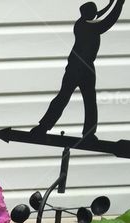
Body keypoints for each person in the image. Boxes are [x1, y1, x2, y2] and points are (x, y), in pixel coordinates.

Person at [33, 0, 125, 140]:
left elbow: (98, 15)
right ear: (88, 14)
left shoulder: (81, 22)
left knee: (69, 98)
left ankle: (44, 127)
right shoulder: (88, 27)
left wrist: (110, 3)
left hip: (80, 67)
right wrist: (119, 4)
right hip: (80, 69)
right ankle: (85, 133)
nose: (95, 14)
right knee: (82, 101)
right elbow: (107, 22)